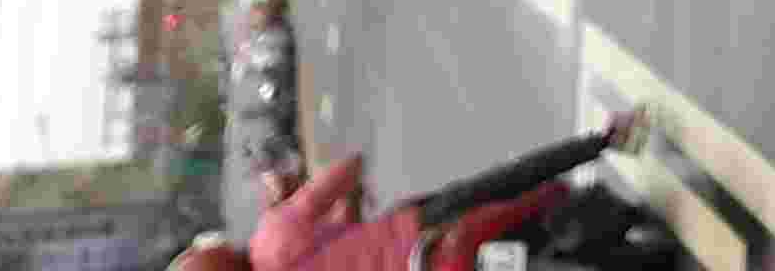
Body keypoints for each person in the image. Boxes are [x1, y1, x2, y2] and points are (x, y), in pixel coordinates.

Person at [164, 110, 657, 271]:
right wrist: (349, 189)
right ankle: (609, 139)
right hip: (424, 230)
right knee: (513, 181)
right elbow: (346, 173)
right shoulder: (275, 232)